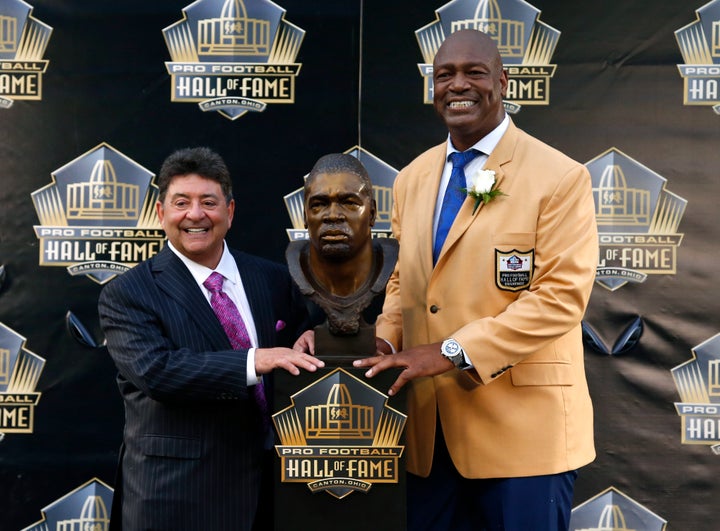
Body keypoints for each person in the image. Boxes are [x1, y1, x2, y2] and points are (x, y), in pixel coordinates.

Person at [353, 30, 598, 530]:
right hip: (428, 437)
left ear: (503, 82)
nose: (457, 84)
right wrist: (383, 339)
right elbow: (403, 281)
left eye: (474, 72)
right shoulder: (412, 178)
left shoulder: (559, 176)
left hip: (523, 439)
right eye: (445, 75)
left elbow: (559, 299)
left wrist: (446, 352)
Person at [98, 146, 323, 531]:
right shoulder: (127, 293)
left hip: (273, 494)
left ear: (230, 212)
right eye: (181, 202)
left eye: (209, 202)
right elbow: (158, 372)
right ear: (160, 213)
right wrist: (255, 360)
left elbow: (302, 338)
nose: (196, 215)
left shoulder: (271, 279)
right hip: (178, 499)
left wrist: (311, 337)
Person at [286, 153, 398, 344]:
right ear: (305, 216)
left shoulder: (393, 262)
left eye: (348, 203)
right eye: (319, 204)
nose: (333, 215)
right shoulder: (294, 266)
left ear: (372, 213)